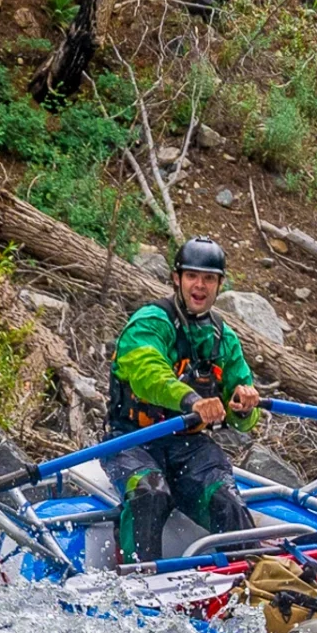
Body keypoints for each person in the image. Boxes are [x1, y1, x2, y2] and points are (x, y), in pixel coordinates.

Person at [104, 235, 260, 562]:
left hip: (189, 446)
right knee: (150, 493)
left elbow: (241, 417)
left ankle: (250, 580)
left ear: (220, 284)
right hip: (133, 441)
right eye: (192, 276)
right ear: (177, 279)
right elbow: (149, 376)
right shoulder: (150, 322)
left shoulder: (224, 338)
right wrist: (192, 401)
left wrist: (244, 406)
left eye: (209, 278)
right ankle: (136, 577)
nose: (199, 286)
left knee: (226, 500)